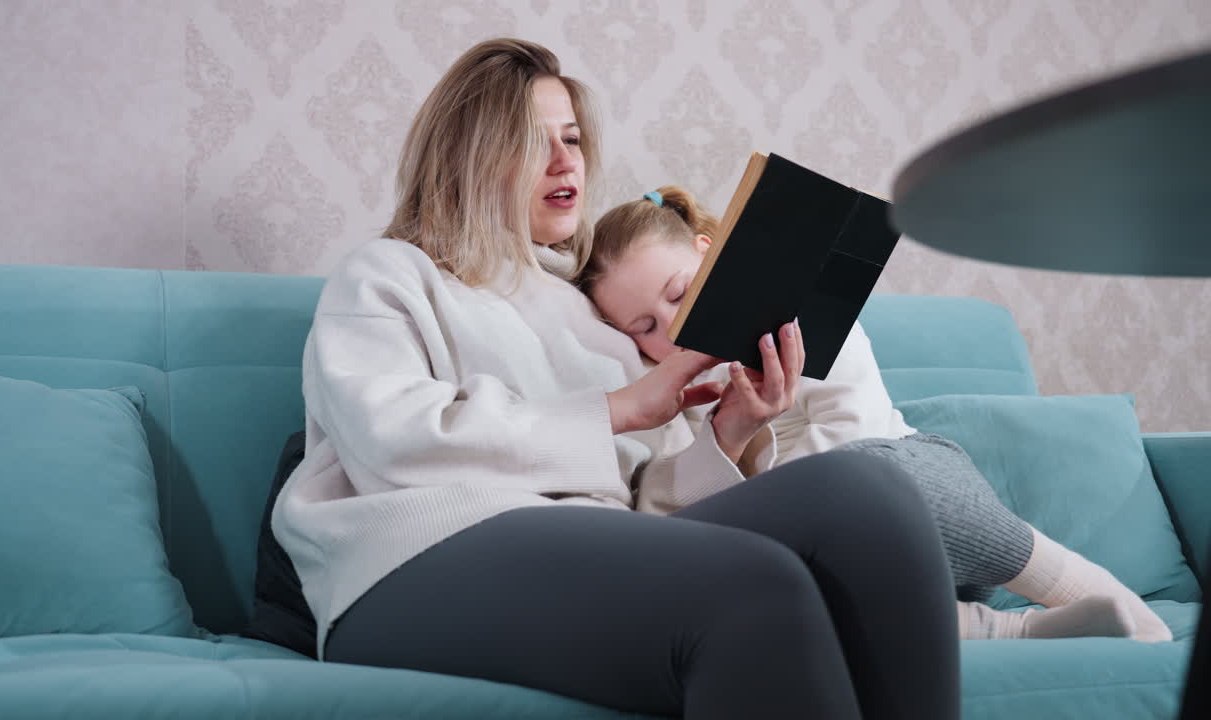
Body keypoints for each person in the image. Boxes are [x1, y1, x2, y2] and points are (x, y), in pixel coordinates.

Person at [271, 38, 961, 719]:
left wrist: (729, 433)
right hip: (410, 564)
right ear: (468, 158)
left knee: (868, 492)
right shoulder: (391, 274)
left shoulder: (596, 309)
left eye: (570, 138)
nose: (565, 159)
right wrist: (618, 409)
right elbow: (391, 440)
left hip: (596, 551)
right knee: (756, 585)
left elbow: (653, 508)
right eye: (531, 141)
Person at [579, 185, 1174, 643]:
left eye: (679, 295)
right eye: (645, 328)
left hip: (915, 504)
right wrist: (727, 440)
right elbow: (662, 520)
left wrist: (772, 492)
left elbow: (854, 440)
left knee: (876, 478)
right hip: (824, 567)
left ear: (711, 258)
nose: (672, 328)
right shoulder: (660, 396)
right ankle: (1009, 632)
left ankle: (1086, 590)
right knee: (765, 597)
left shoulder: (798, 317)